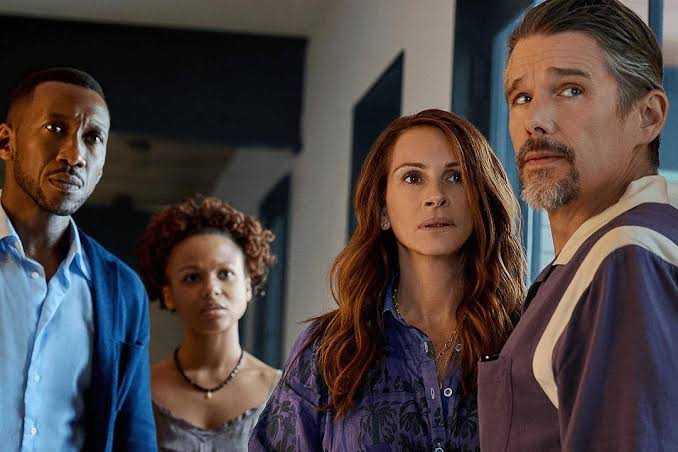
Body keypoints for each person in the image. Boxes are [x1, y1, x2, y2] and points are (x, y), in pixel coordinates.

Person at [251, 109, 526, 451]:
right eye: (413, 178)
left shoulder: (524, 337)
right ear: (382, 210)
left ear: (480, 200)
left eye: (456, 177)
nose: (436, 196)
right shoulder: (328, 348)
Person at [477, 1, 678, 450]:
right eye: (521, 98)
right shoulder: (594, 260)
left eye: (570, 90)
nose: (536, 121)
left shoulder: (627, 257)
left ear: (648, 116)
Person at [0, 67, 156, 451]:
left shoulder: (122, 291)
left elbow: (133, 436)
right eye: (55, 129)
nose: (74, 155)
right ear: (6, 142)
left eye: (92, 138)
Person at [137, 196, 281, 451]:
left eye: (225, 274)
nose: (211, 288)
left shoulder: (281, 391)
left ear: (248, 286)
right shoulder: (141, 388)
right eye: (192, 277)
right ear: (169, 295)